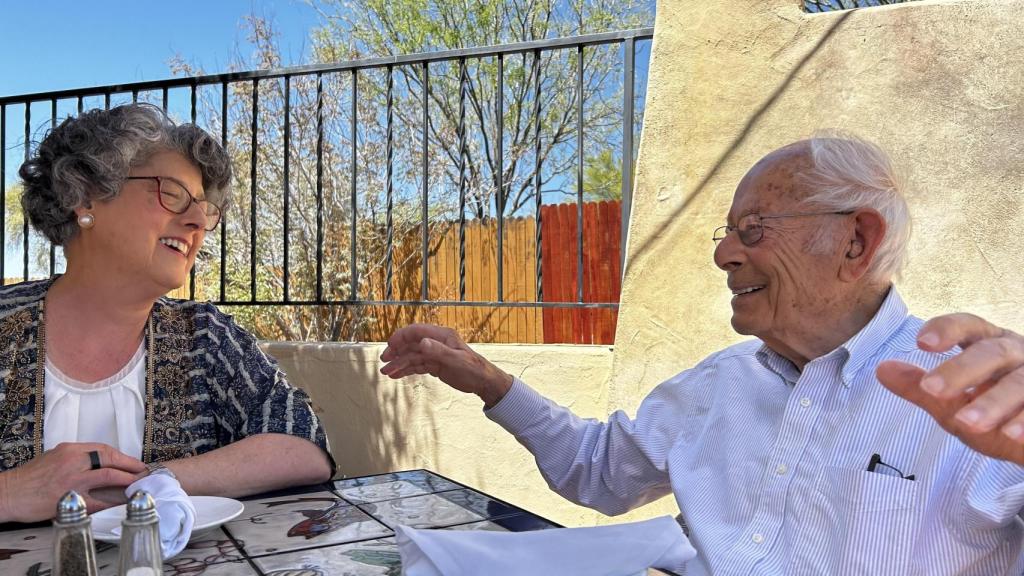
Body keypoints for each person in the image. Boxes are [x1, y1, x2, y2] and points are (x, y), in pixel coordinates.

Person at [380, 135, 1024, 575]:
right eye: (728, 234)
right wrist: (487, 380)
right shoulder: (722, 382)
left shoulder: (982, 406)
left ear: (856, 240)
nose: (724, 255)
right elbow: (599, 471)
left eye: (754, 231)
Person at [0, 104, 334, 523]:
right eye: (172, 193)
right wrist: (12, 491)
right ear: (83, 195)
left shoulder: (205, 337)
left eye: (204, 209)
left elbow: (303, 444)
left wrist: (147, 483)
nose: (196, 221)